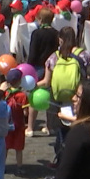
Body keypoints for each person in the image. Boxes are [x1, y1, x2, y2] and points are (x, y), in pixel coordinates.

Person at [26, 7, 59, 136]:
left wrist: (29, 67)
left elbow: (33, 53)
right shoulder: (56, 33)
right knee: (50, 97)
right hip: (52, 67)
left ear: (39, 19)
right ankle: (49, 126)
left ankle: (30, 128)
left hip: (38, 67)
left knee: (33, 96)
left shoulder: (37, 33)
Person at [4, 69, 28, 176]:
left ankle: (2, 166)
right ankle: (19, 167)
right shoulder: (22, 95)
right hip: (19, 125)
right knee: (19, 148)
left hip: (6, 125)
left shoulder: (5, 93)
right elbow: (26, 112)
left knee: (5, 147)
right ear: (19, 81)